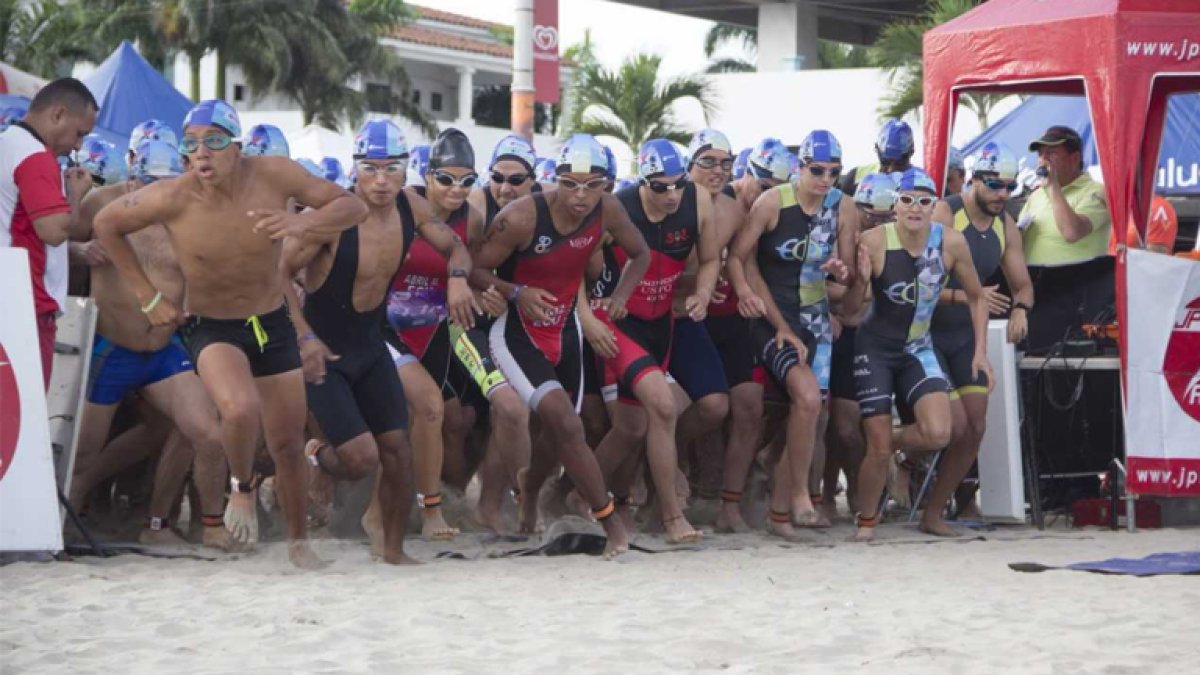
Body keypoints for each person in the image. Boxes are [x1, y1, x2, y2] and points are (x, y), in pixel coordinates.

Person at [95, 99, 367, 569]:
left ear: (237, 147)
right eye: (192, 144)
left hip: (271, 322)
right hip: (212, 325)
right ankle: (241, 488)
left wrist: (303, 221)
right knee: (239, 409)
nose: (202, 153)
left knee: (286, 443)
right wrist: (148, 296)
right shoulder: (173, 197)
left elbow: (353, 205)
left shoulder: (275, 175)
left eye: (215, 141)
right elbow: (106, 224)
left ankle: (298, 542)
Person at [471, 133, 651, 557]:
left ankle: (531, 492)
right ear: (556, 180)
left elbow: (640, 254)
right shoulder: (520, 218)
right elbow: (473, 269)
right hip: (516, 332)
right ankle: (611, 526)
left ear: (606, 184)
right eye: (571, 184)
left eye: (592, 185)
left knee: (559, 434)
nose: (581, 196)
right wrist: (516, 293)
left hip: (566, 331)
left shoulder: (608, 209)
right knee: (568, 424)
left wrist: (620, 297)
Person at [282, 119, 447, 565]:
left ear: (405, 170)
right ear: (355, 169)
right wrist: (304, 336)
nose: (381, 180)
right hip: (325, 352)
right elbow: (277, 273)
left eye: (391, 169)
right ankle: (316, 454)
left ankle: (392, 549)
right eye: (371, 169)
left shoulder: (411, 207)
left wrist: (460, 276)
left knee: (398, 451)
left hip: (371, 346)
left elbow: (453, 245)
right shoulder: (334, 217)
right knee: (360, 459)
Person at [70, 139, 232, 549]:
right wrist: (79, 249)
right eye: (145, 182)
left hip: (163, 348)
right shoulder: (100, 203)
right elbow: (52, 246)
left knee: (206, 433)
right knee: (83, 451)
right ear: (130, 171)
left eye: (163, 182)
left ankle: (186, 525)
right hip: (111, 346)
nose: (153, 192)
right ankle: (67, 513)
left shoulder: (188, 207)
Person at [843, 167, 993, 542]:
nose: (915, 208)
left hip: (917, 348)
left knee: (940, 432)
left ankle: (888, 443)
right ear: (895, 205)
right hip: (875, 349)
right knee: (878, 449)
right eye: (907, 200)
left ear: (934, 206)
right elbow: (850, 312)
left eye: (924, 201)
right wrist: (861, 281)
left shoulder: (951, 243)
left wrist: (981, 352)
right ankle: (866, 521)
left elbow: (977, 297)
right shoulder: (874, 241)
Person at [583, 138, 719, 544]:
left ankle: (573, 495)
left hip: (662, 324)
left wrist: (703, 293)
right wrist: (588, 318)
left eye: (678, 184)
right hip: (619, 325)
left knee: (631, 427)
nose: (672, 194)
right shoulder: (618, 209)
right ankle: (672, 517)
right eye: (661, 187)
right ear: (643, 182)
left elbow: (710, 258)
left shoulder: (698, 201)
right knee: (662, 406)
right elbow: (572, 267)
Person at [728, 130, 859, 536]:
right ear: (800, 167)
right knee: (806, 398)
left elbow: (847, 281)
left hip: (815, 318)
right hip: (773, 317)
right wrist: (748, 295)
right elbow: (738, 257)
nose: (826, 179)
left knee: (812, 414)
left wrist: (842, 272)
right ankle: (800, 494)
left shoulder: (843, 207)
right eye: (817, 170)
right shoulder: (774, 202)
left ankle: (780, 513)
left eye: (834, 172)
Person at [381, 128, 485, 540]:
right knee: (405, 416)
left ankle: (422, 509)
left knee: (429, 416)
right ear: (427, 176)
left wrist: (483, 289)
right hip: (386, 326)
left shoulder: (471, 220)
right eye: (446, 179)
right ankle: (391, 510)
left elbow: (474, 266)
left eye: (467, 180)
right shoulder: (402, 205)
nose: (457, 189)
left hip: (433, 331)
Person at [926, 142, 1034, 536]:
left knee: (974, 426)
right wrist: (969, 295)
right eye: (994, 185)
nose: (1002, 194)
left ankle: (933, 513)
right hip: (926, 332)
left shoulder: (1005, 224)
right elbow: (915, 286)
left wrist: (1020, 309)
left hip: (965, 335)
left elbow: (1023, 285)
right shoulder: (946, 213)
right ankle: (896, 456)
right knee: (950, 425)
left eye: (1010, 186)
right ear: (973, 180)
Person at [0, 77, 97, 387]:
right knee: (25, 407)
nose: (78, 146)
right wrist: (76, 195)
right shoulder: (35, 157)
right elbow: (53, 232)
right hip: (26, 304)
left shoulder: (7, 143)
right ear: (58, 114)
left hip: (11, 296)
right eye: (79, 134)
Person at [821, 172, 899, 520]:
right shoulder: (838, 236)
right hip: (842, 335)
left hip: (873, 337)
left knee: (856, 428)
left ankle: (859, 486)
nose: (877, 223)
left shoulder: (895, 242)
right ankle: (829, 489)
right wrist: (855, 292)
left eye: (886, 217)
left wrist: (857, 292)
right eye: (871, 215)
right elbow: (819, 286)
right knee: (836, 426)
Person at [1018, 125, 1113, 353]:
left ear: (1075, 158)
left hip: (1076, 298)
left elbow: (1072, 232)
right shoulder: (1036, 196)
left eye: (1052, 153)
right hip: (1036, 296)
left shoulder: (1096, 192)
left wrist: (1053, 188)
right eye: (1041, 154)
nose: (1043, 160)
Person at [840, 119, 914, 195]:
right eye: (885, 162)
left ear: (912, 152)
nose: (890, 170)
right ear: (876, 149)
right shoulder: (856, 177)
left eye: (899, 164)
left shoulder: (919, 182)